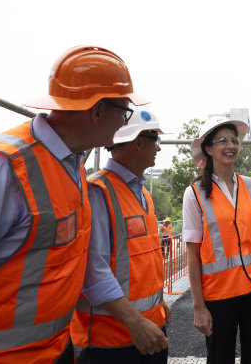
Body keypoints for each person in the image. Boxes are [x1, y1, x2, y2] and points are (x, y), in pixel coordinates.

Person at [0, 45, 147, 363]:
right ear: (97, 111)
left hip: (55, 349)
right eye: (124, 112)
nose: (123, 123)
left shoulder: (72, 164)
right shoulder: (2, 166)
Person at [182, 116, 251, 364]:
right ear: (208, 149)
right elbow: (192, 253)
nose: (231, 145)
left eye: (234, 140)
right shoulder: (195, 193)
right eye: (222, 140)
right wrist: (198, 307)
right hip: (219, 295)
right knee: (220, 358)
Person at [71, 106, 171, 363]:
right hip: (111, 344)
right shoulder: (97, 192)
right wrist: (137, 322)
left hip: (148, 330)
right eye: (155, 140)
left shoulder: (144, 195)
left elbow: (142, 263)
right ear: (138, 142)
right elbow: (93, 272)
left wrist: (157, 305)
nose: (159, 148)